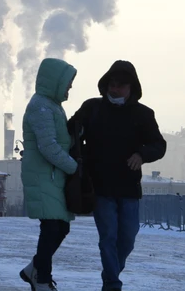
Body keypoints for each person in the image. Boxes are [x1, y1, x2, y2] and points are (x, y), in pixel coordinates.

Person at [71, 60, 166, 291]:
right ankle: (112, 284)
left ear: (131, 87)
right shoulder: (92, 108)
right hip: (99, 187)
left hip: (129, 189)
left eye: (120, 86)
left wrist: (141, 155)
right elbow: (71, 129)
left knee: (128, 238)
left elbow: (158, 145)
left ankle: (110, 274)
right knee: (108, 238)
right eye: (112, 85)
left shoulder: (143, 114)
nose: (115, 90)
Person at [18, 58, 79, 291]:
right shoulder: (40, 106)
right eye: (68, 83)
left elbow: (60, 142)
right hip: (43, 176)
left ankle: (34, 269)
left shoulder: (52, 106)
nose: (70, 88)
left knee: (60, 227)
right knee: (52, 227)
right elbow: (49, 147)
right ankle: (41, 279)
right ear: (55, 81)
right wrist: (75, 167)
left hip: (52, 176)